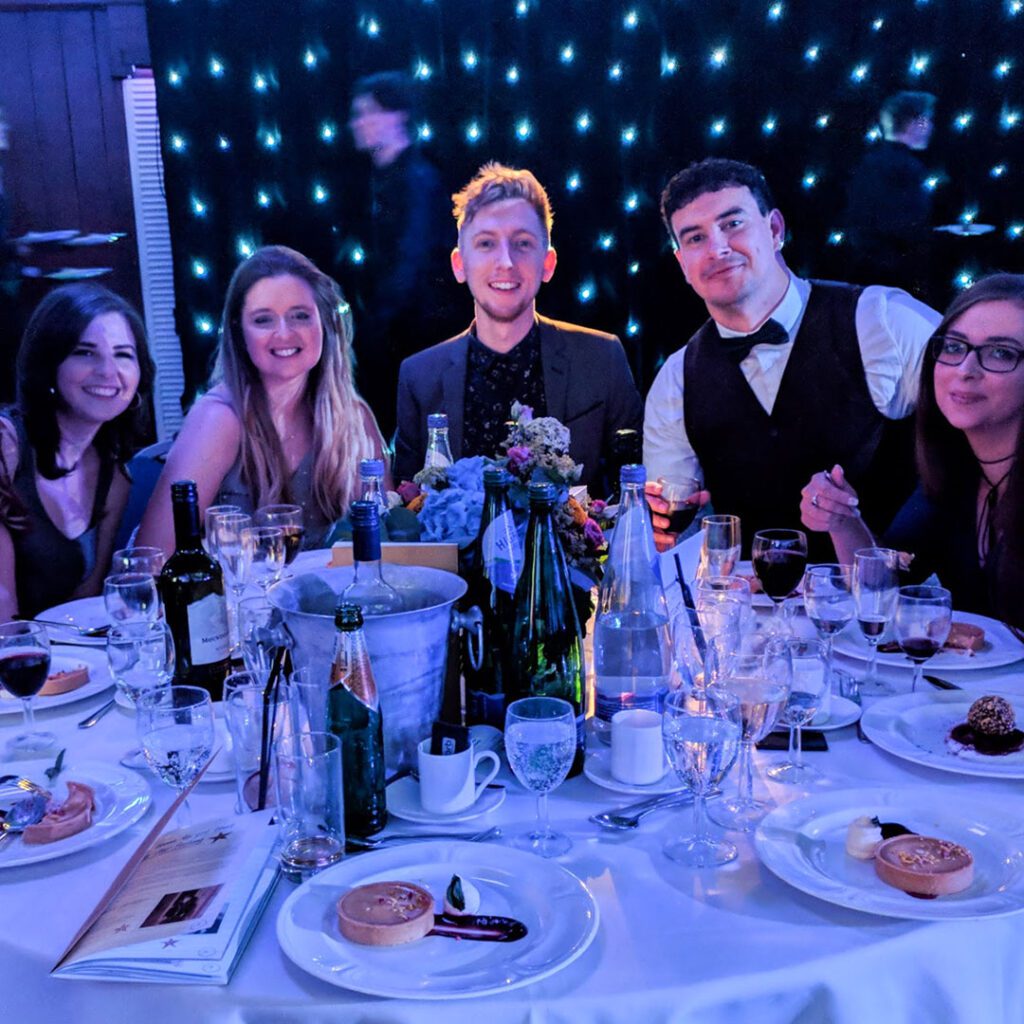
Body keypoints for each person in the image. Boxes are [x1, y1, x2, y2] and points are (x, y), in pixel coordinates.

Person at [644, 157, 940, 555]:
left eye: (733, 224)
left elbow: (983, 428)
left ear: (775, 230)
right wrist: (663, 525)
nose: (717, 248)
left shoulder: (881, 319)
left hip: (892, 586)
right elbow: (673, 530)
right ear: (683, 264)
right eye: (695, 238)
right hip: (749, 592)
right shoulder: (676, 379)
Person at [394, 162, 643, 490]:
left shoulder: (601, 358)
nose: (506, 262)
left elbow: (636, 490)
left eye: (522, 243)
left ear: (548, 264)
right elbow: (408, 508)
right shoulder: (419, 377)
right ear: (459, 264)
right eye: (486, 244)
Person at [801, 274, 1024, 625]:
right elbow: (883, 587)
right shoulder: (954, 473)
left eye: (1000, 353)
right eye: (954, 347)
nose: (965, 369)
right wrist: (843, 520)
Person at [137, 246, 386, 555]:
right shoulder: (218, 419)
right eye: (263, 320)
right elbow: (152, 559)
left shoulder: (354, 417)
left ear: (325, 322)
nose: (284, 333)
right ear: (239, 333)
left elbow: (390, 538)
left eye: (300, 316)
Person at [0, 283, 154, 620]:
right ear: (49, 363)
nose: (108, 371)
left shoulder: (114, 477)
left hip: (59, 651)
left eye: (123, 355)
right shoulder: (6, 446)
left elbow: (86, 605)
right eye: (85, 352)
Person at [348, 71, 456, 438]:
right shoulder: (382, 182)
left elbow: (412, 261)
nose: (358, 123)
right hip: (395, 331)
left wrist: (374, 325)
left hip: (411, 333)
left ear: (397, 116)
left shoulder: (416, 181)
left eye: (368, 113)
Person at [844, 91, 937, 299]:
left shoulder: (867, 163)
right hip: (895, 275)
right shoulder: (907, 168)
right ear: (913, 123)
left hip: (866, 271)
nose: (931, 127)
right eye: (926, 120)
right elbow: (905, 226)